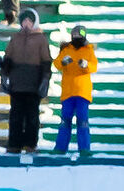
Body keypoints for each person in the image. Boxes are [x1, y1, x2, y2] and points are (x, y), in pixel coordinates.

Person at [0, 7, 50, 153]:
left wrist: (45, 79)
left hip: (34, 84)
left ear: (34, 22)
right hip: (17, 84)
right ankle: (14, 144)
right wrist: (4, 75)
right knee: (16, 116)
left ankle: (30, 144)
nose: (26, 24)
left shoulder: (41, 39)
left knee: (32, 117)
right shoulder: (16, 38)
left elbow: (46, 61)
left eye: (29, 21)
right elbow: (8, 57)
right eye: (24, 21)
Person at [52, 23, 97, 153]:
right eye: (75, 35)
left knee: (82, 121)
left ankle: (84, 148)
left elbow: (94, 66)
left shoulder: (88, 50)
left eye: (79, 35)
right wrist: (63, 62)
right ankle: (60, 148)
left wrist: (86, 65)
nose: (77, 37)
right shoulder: (66, 49)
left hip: (82, 92)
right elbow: (56, 64)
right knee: (65, 121)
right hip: (68, 92)